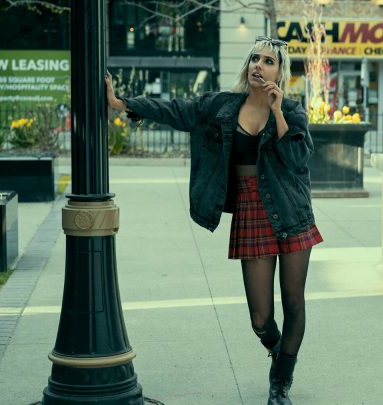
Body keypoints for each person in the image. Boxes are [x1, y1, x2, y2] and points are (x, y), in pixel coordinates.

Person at [105, 36, 322, 405]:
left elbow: (298, 159)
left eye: (269, 61)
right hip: (252, 212)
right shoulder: (221, 106)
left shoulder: (294, 112)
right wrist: (122, 103)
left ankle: (280, 383)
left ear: (280, 72)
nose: (259, 65)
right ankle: (276, 349)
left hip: (290, 212)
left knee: (295, 302)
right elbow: (178, 109)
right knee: (260, 318)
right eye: (255, 58)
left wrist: (279, 111)